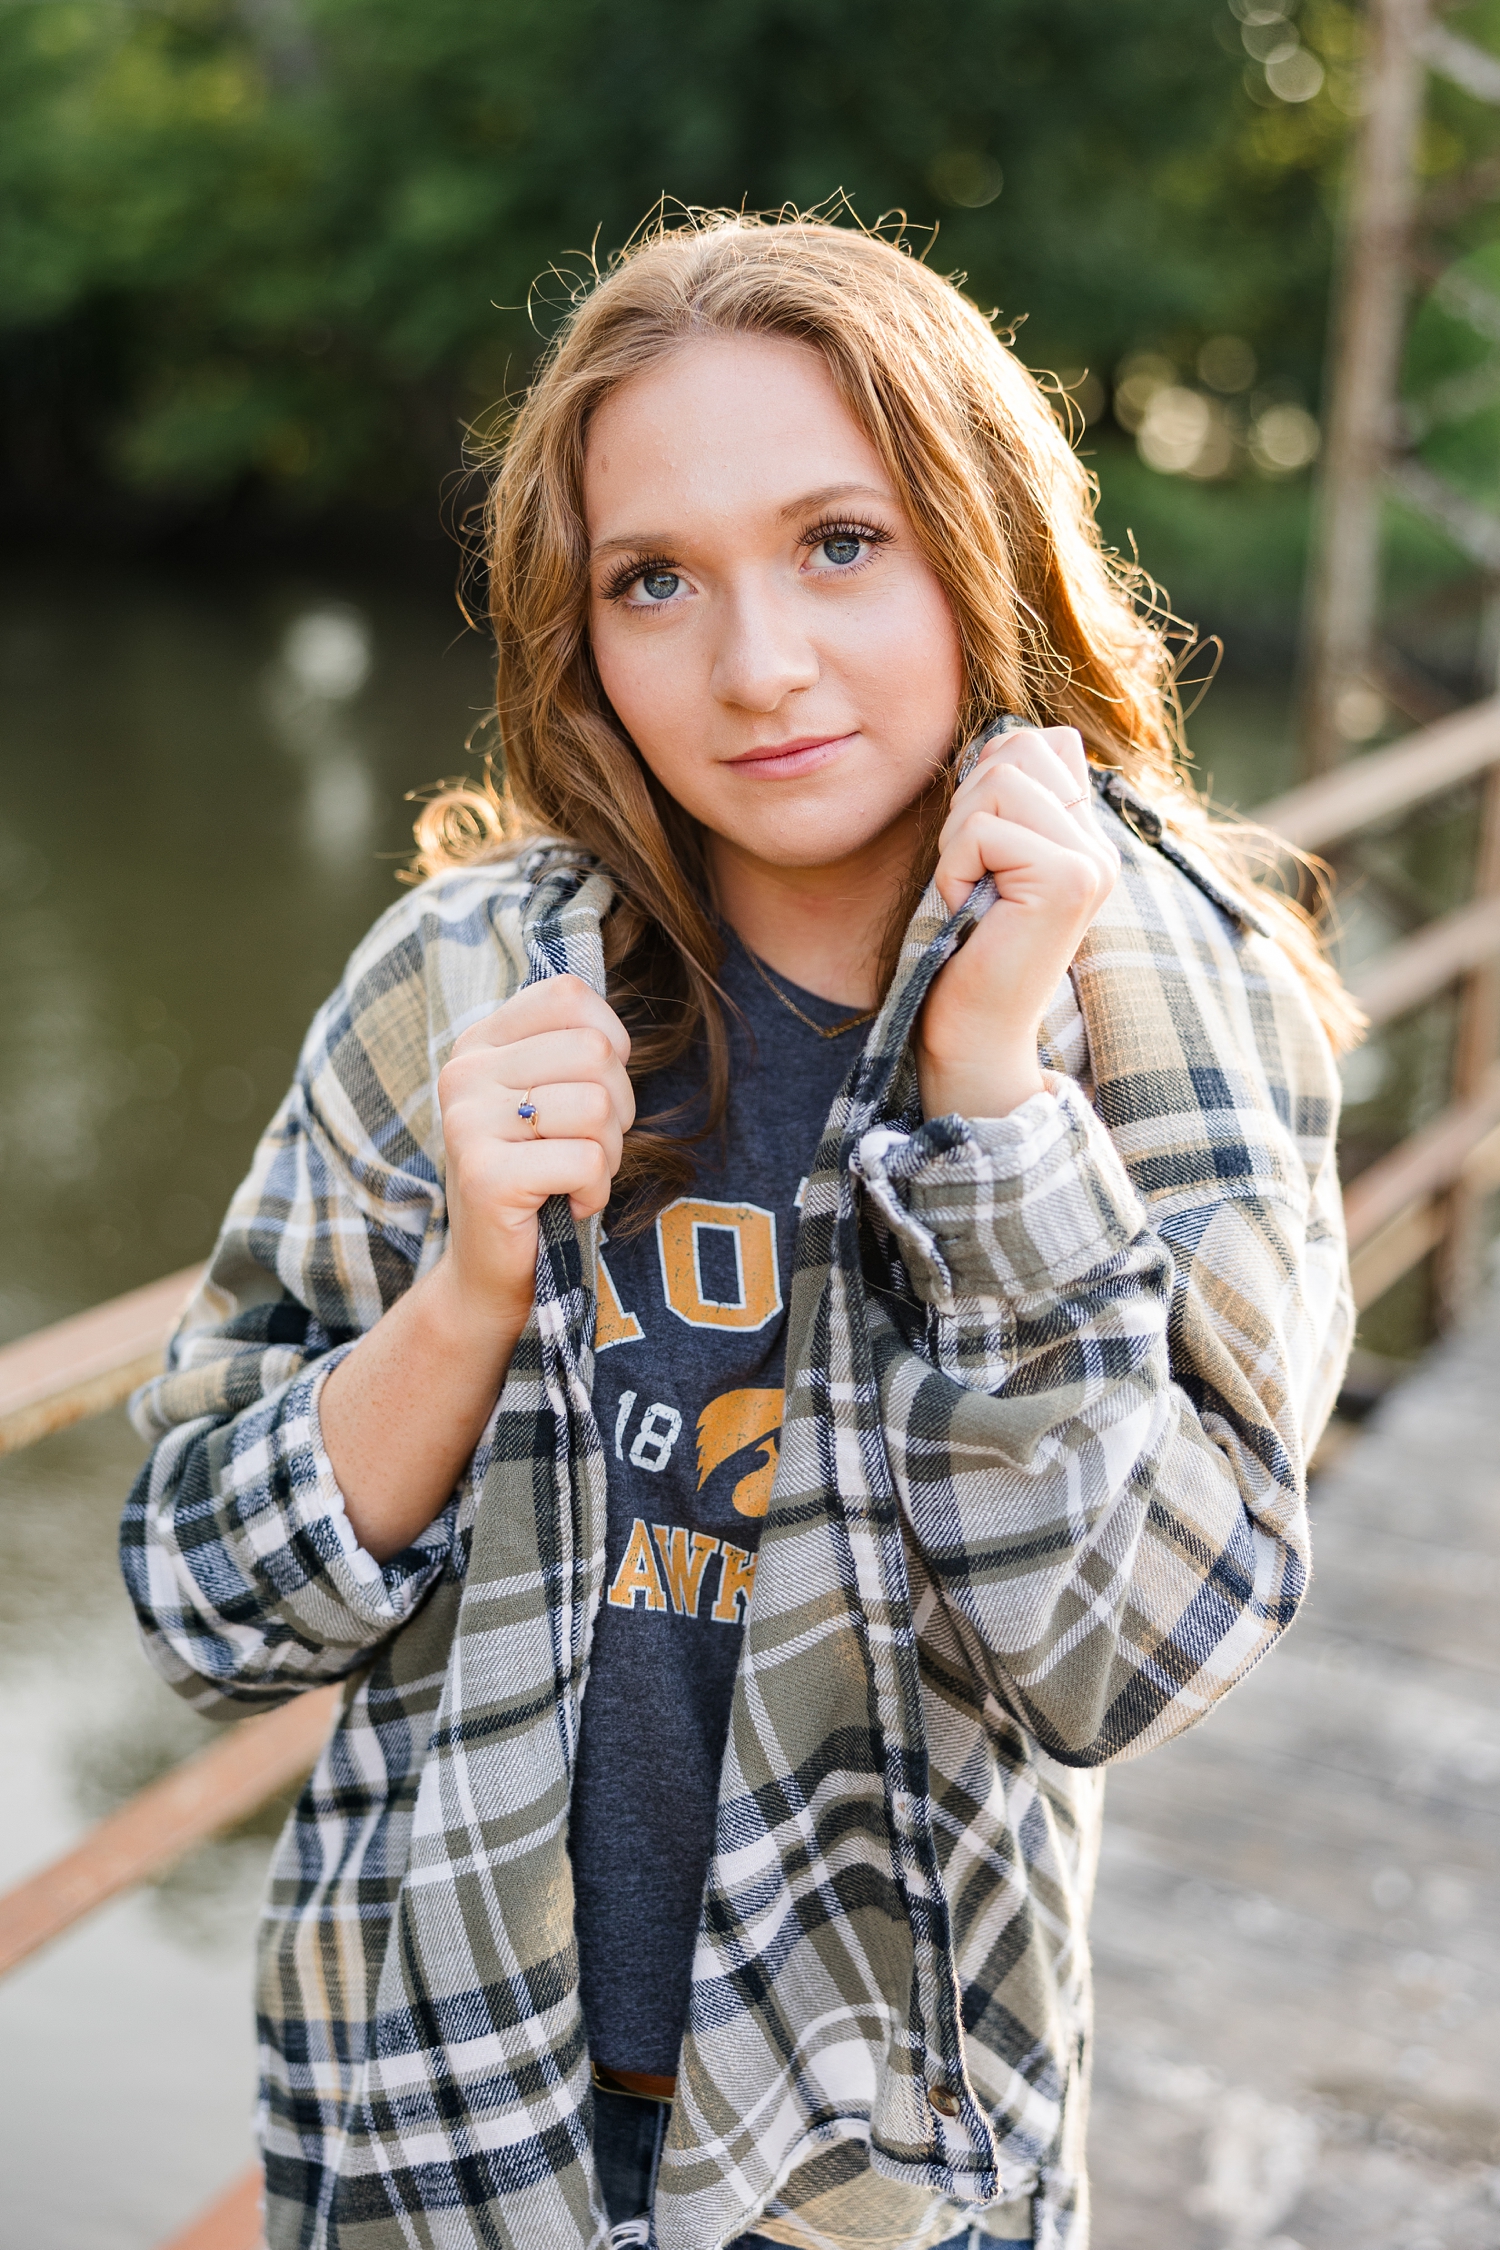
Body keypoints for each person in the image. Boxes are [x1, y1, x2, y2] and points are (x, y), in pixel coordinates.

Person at [121, 212, 1355, 2250]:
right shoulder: (459, 979)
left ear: (980, 536)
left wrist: (988, 1106)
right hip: (431, 2123)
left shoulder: (1165, 989)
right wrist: (464, 1295)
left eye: (841, 543)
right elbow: (197, 1608)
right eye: (656, 580)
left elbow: (1126, 1652)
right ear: (575, 622)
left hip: (873, 2170)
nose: (757, 663)